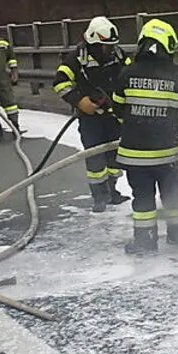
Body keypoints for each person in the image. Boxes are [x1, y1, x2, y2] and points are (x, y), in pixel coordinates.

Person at [110, 18, 178, 253]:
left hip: (135, 155)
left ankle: (145, 242)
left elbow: (117, 109)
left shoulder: (127, 74)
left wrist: (134, 125)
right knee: (173, 195)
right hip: (167, 155)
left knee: (142, 199)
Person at [52, 16, 129, 212]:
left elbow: (130, 73)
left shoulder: (118, 54)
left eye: (111, 47)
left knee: (114, 156)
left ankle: (112, 191)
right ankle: (99, 196)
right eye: (105, 47)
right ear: (93, 43)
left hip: (114, 115)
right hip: (90, 117)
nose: (109, 51)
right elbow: (60, 82)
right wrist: (79, 101)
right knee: (95, 156)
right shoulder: (78, 57)